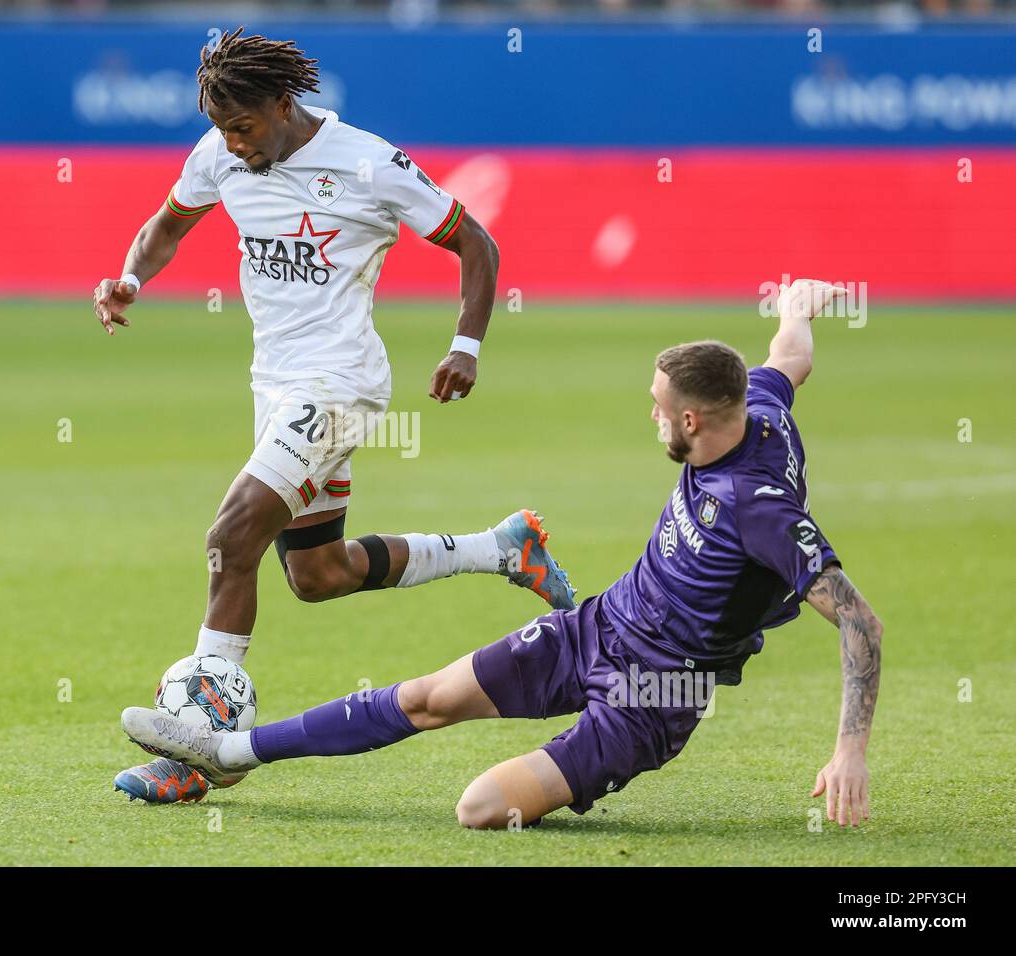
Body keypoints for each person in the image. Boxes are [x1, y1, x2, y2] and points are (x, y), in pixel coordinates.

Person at [121, 280, 884, 829]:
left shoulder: (759, 510)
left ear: (693, 417)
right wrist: (798, 302)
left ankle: (573, 763)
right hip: (603, 624)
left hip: (656, 693)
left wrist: (849, 751)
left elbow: (860, 624)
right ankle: (224, 750)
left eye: (658, 410)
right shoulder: (757, 402)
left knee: (480, 808)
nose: (651, 418)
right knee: (427, 698)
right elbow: (791, 355)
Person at [95, 27, 576, 804]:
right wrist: (128, 279)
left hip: (341, 386)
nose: (233, 145)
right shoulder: (220, 151)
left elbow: (475, 243)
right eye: (222, 131)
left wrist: (466, 346)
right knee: (316, 575)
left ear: (285, 104)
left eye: (245, 129)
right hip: (275, 386)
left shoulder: (367, 163)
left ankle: (196, 753)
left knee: (231, 534)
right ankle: (500, 548)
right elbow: (166, 227)